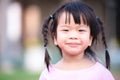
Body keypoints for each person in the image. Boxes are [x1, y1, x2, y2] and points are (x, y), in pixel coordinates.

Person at [39, 1, 115, 80]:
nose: (73, 36)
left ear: (90, 38)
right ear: (55, 38)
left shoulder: (101, 74)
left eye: (81, 30)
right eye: (65, 30)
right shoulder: (47, 76)